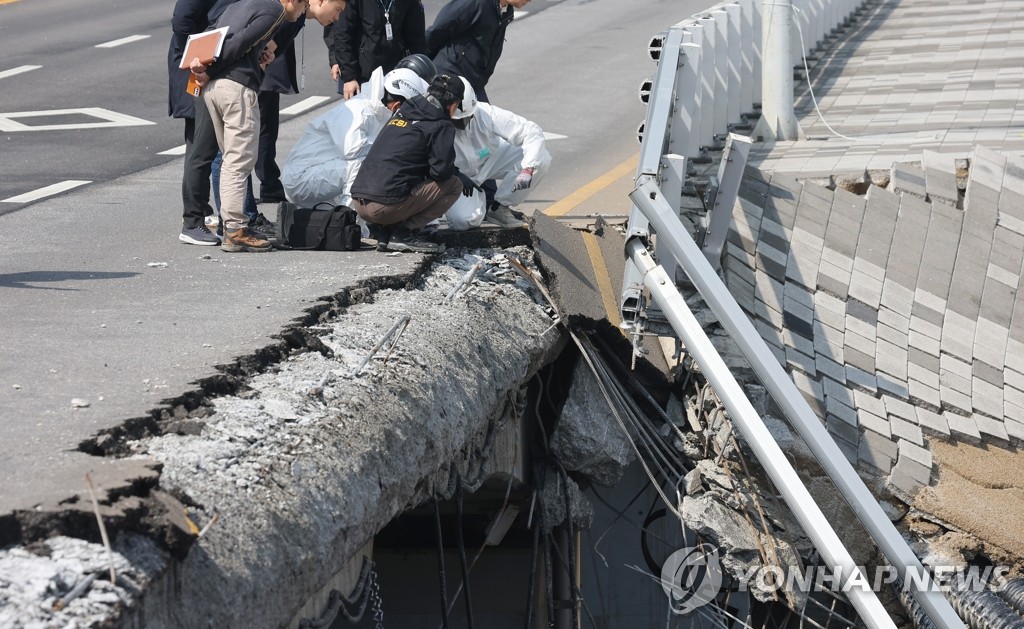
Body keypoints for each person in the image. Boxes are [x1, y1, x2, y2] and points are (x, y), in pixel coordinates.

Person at [181, 0, 345, 249]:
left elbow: (219, 36)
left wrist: (255, 54)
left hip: (214, 90)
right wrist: (210, 70)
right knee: (239, 161)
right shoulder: (274, 11)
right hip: (235, 88)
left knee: (229, 160)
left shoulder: (240, 5)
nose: (303, 12)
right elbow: (238, 45)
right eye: (302, 6)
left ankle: (232, 225)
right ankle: (235, 230)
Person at [281, 66, 429, 210]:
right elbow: (351, 150)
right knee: (361, 167)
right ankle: (351, 228)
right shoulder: (360, 109)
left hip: (323, 174)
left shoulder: (377, 112)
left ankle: (298, 218)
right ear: (397, 104)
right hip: (300, 178)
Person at [349, 74, 467, 253]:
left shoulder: (404, 111)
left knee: (403, 179)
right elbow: (440, 173)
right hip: (384, 207)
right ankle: (403, 234)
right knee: (454, 185)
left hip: (359, 201)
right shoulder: (440, 124)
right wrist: (457, 173)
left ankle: (384, 233)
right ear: (454, 104)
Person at [445, 77, 550, 229]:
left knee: (541, 158)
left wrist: (527, 169)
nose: (462, 124)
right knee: (463, 221)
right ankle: (477, 205)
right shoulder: (437, 122)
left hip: (490, 158)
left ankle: (499, 208)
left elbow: (531, 131)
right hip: (461, 176)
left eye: (466, 118)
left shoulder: (485, 113)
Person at [425, 0, 530, 104]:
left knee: (485, 120)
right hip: (450, 78)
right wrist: (423, 63)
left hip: (474, 83)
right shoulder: (477, 3)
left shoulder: (505, 12)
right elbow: (437, 30)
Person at [325, 0, 428, 100]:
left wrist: (419, 73)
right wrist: (349, 77)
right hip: (362, 72)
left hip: (395, 70)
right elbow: (342, 33)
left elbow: (416, 37)